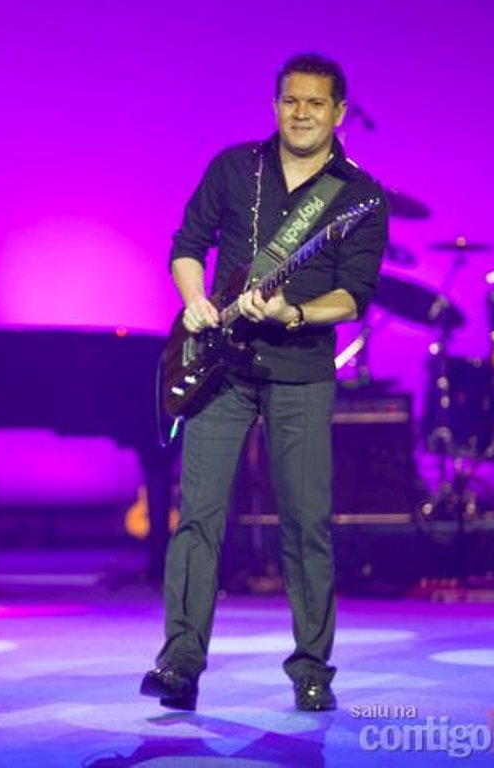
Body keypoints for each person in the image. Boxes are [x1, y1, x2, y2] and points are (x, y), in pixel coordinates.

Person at [140, 53, 387, 713]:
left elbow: (355, 295)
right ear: (275, 105)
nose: (301, 113)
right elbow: (186, 245)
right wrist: (194, 299)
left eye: (315, 103)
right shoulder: (233, 168)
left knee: (306, 524)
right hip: (221, 365)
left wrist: (292, 312)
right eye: (290, 101)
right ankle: (180, 663)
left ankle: (312, 669)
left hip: (301, 371)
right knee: (198, 518)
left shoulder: (359, 196)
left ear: (339, 113)